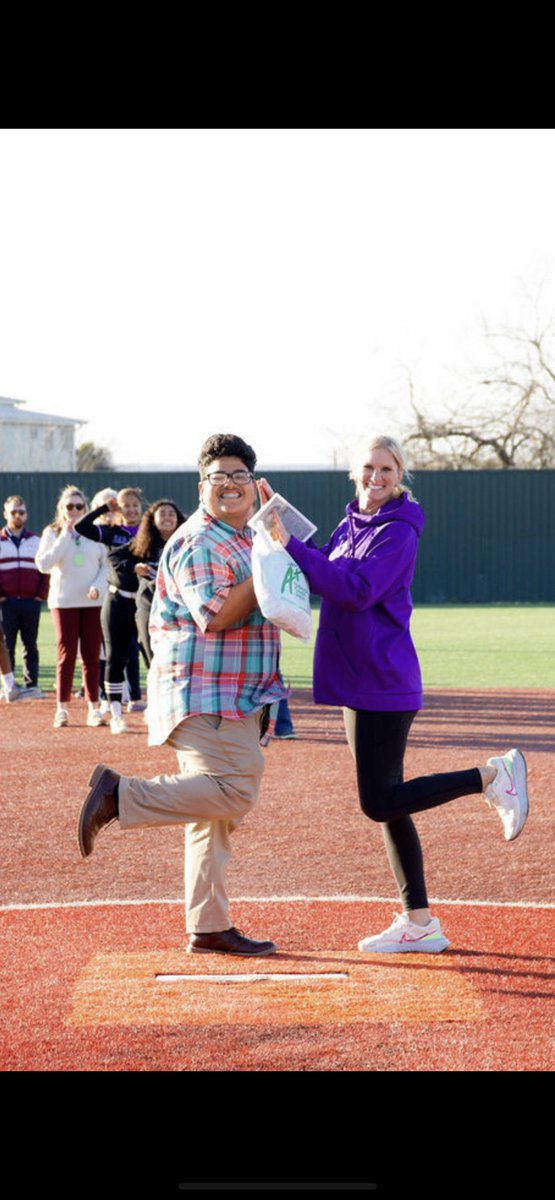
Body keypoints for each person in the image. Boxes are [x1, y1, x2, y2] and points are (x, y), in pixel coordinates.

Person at [259, 435, 530, 954]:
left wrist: (289, 544)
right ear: (354, 472)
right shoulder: (350, 523)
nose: (375, 477)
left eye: (387, 468)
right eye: (368, 467)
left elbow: (355, 590)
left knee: (379, 800)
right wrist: (280, 522)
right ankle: (420, 921)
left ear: (399, 474)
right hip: (357, 680)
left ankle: (493, 775)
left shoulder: (399, 533)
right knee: (388, 803)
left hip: (383, 680)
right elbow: (326, 564)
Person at [77, 433, 288, 956]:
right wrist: (271, 571)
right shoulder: (200, 540)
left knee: (214, 813)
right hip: (203, 691)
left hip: (238, 693)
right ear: (202, 487)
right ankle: (118, 796)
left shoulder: (248, 537)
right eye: (220, 477)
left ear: (255, 485)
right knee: (237, 788)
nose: (231, 485)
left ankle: (208, 923)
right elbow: (214, 616)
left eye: (240, 475)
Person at [35, 485, 108, 729]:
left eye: (80, 506)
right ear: (62, 509)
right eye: (70, 506)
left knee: (92, 656)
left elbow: (106, 566)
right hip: (63, 601)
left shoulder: (95, 532)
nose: (75, 510)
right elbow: (44, 564)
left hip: (92, 601)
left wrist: (98, 585)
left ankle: (94, 709)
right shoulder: (52, 532)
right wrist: (66, 535)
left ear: (86, 509)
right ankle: (62, 709)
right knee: (66, 656)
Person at [74, 487, 143, 734]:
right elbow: (81, 528)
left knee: (153, 654)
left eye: (135, 504)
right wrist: (105, 508)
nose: (132, 509)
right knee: (115, 657)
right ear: (119, 508)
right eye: (126, 505)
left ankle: (156, 708)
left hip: (145, 602)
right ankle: (116, 715)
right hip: (117, 601)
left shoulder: (150, 531)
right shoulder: (113, 533)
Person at [0, 495, 49, 695]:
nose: (17, 516)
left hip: (31, 601)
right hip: (6, 601)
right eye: (13, 512)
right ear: (5, 514)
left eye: (21, 512)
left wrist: (39, 596)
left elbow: (46, 572)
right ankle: (9, 685)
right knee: (6, 644)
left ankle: (31, 684)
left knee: (31, 644)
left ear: (26, 515)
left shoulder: (36, 541)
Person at [131, 498, 187, 668]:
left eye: (171, 514)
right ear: (152, 519)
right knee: (150, 654)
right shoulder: (141, 544)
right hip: (148, 603)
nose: (167, 517)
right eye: (162, 514)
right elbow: (114, 558)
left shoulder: (186, 542)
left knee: (177, 656)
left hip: (178, 606)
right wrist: (134, 567)